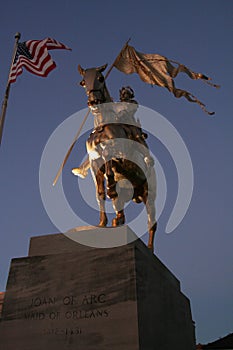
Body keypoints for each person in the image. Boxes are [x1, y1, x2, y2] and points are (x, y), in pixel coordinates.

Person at [72, 86, 153, 178]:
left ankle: (147, 156)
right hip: (116, 124)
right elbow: (109, 109)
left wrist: (121, 114)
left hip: (128, 123)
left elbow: (129, 110)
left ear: (130, 95)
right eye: (123, 93)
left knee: (136, 135)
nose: (125, 95)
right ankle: (83, 168)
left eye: (126, 93)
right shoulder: (116, 104)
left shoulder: (132, 103)